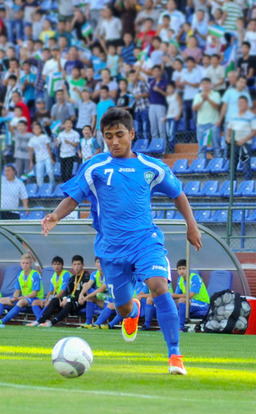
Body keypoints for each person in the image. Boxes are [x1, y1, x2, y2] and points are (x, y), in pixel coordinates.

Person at [41, 107, 202, 375]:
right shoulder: (96, 166)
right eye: (108, 136)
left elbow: (178, 194)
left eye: (119, 135)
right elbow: (74, 196)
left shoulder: (152, 167)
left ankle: (175, 355)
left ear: (132, 134)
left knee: (159, 286)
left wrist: (192, 226)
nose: (114, 141)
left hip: (145, 241)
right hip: (111, 250)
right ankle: (132, 311)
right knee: (124, 308)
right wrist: (56, 216)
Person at [0, 253, 43, 328]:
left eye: (27, 263)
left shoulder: (35, 274)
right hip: (24, 298)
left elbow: (34, 294)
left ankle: (2, 321)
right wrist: (14, 298)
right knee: (1, 300)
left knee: (21, 301)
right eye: (23, 263)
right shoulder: (20, 275)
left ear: (30, 264)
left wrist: (18, 298)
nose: (25, 265)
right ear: (20, 264)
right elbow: (17, 291)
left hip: (35, 299)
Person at [30, 255, 88, 327]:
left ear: (83, 265)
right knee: (55, 300)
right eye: (74, 264)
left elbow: (82, 294)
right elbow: (67, 292)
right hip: (70, 300)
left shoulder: (86, 276)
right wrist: (64, 299)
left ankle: (52, 322)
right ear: (72, 265)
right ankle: (40, 320)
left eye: (78, 264)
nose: (76, 267)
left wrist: (68, 300)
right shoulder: (73, 278)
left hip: (80, 302)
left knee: (68, 304)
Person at [226, 95, 256, 181]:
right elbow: (229, 128)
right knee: (232, 165)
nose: (241, 104)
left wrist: (244, 140)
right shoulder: (234, 115)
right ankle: (232, 184)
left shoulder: (251, 116)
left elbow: (255, 131)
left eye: (243, 102)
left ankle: (248, 184)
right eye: (239, 102)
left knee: (246, 165)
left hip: (245, 144)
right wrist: (227, 137)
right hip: (234, 143)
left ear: (247, 104)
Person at [172, 259, 209, 331]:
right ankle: (168, 327)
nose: (181, 271)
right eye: (179, 269)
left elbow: (190, 295)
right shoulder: (180, 279)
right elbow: (176, 295)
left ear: (188, 269)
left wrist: (174, 296)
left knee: (182, 300)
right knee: (169, 302)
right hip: (191, 303)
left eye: (183, 268)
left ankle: (180, 327)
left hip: (202, 303)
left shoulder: (194, 277)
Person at [193, 78, 222, 159]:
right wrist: (203, 100)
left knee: (216, 146)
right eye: (203, 84)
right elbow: (194, 108)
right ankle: (202, 167)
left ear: (210, 84)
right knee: (202, 147)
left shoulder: (215, 94)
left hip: (213, 124)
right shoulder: (198, 96)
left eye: (207, 83)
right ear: (201, 85)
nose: (205, 85)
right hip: (201, 125)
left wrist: (208, 99)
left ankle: (218, 167)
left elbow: (217, 107)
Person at [28, 122, 55, 187]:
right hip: (39, 159)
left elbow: (48, 148)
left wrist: (51, 159)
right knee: (39, 175)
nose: (36, 130)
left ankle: (52, 185)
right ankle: (40, 188)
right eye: (35, 128)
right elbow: (31, 151)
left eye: (38, 128)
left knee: (50, 171)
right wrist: (31, 162)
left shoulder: (44, 137)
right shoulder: (32, 139)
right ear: (33, 130)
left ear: (41, 130)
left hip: (47, 157)